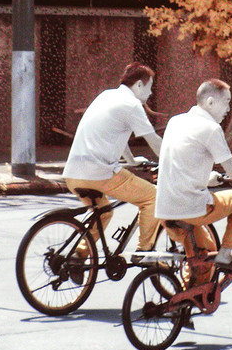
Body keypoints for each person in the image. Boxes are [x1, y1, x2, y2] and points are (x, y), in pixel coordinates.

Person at [155, 78, 232, 283]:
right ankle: (228, 253)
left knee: (204, 255)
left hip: (164, 210)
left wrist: (208, 179)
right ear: (211, 102)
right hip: (192, 208)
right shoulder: (210, 128)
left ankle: (189, 298)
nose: (229, 109)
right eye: (227, 102)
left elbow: (183, 164)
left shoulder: (175, 121)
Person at [62, 63, 162, 256]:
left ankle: (78, 256)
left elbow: (115, 134)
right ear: (139, 85)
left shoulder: (106, 96)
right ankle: (145, 252)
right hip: (98, 173)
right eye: (150, 87)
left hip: (73, 174)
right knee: (153, 197)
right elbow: (155, 142)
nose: (150, 93)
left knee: (104, 212)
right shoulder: (132, 105)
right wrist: (175, 162)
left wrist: (131, 160)